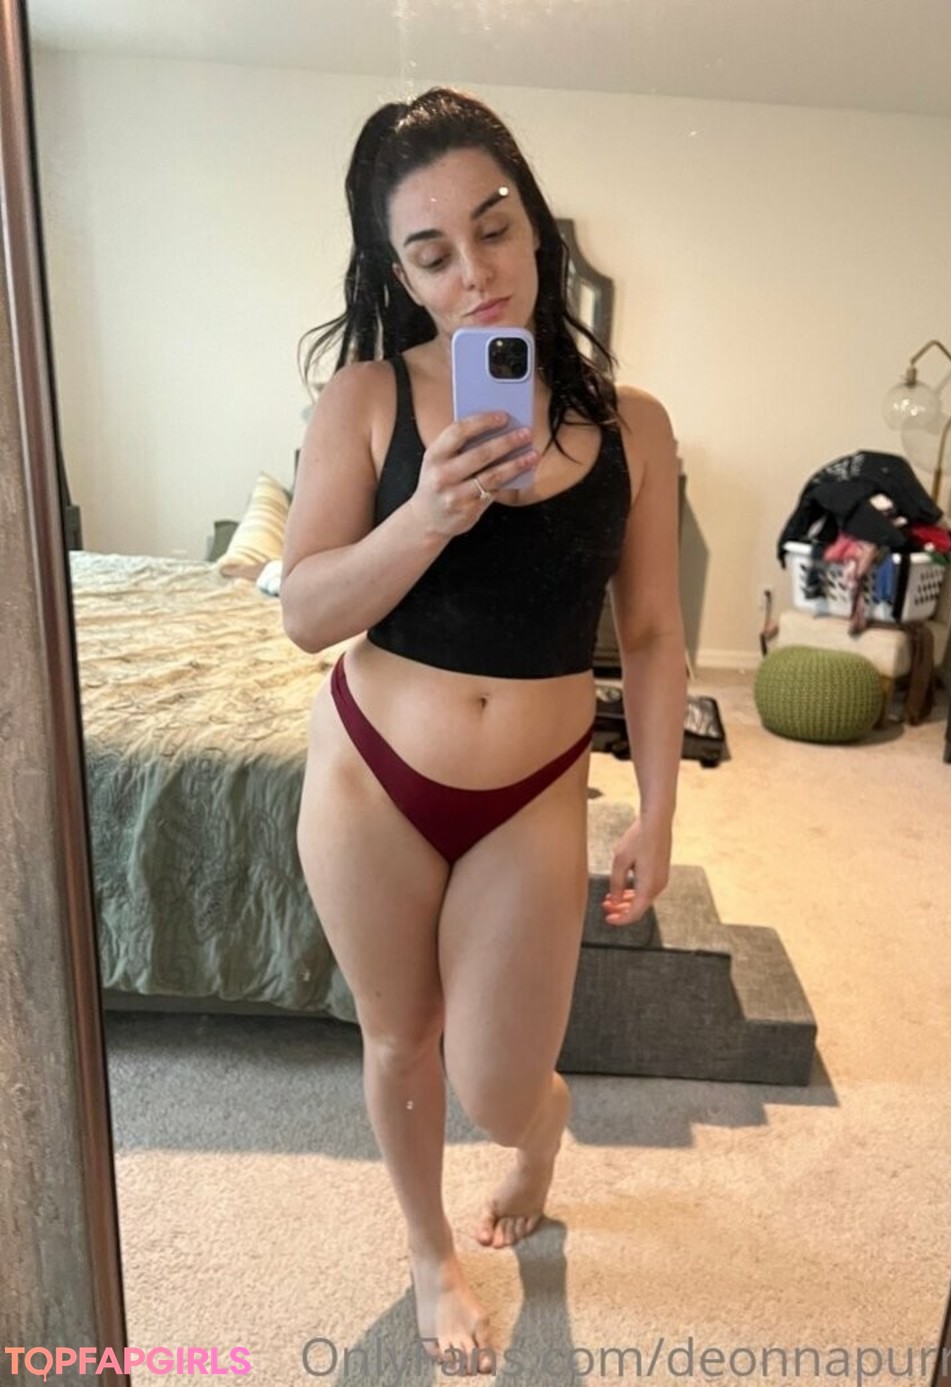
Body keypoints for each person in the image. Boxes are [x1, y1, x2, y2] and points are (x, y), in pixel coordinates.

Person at [281, 87, 686, 1373]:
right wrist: (426, 517)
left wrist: (661, 808)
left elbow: (656, 637)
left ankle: (539, 1138)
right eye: (433, 253)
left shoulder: (633, 425)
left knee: (502, 1081)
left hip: (535, 788)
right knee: (399, 1038)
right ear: (399, 274)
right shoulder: (364, 399)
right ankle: (428, 1251)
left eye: (495, 228)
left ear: (537, 226)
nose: (476, 273)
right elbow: (303, 611)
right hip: (373, 773)